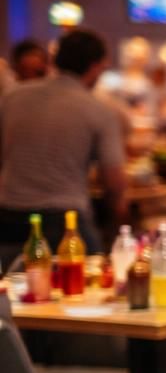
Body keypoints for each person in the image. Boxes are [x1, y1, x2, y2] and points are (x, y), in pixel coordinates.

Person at [0, 29, 125, 259]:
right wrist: (117, 222)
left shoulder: (12, 97)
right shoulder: (98, 110)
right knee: (94, 278)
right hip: (65, 220)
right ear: (95, 67)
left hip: (8, 216)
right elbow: (114, 182)